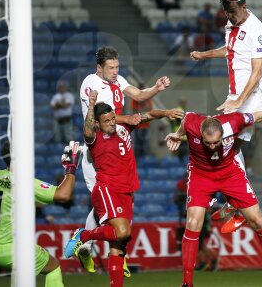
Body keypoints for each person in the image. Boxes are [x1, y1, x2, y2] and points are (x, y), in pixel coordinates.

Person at [165, 109, 262, 287]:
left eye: (216, 142)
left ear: (223, 133)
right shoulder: (192, 122)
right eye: (207, 143)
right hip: (201, 176)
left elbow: (259, 115)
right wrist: (178, 135)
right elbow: (184, 122)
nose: (212, 146)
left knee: (257, 220)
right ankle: (187, 283)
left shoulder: (234, 121)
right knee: (193, 223)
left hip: (230, 174)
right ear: (201, 134)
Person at [64, 95, 183, 287]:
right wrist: (92, 105)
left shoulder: (124, 127)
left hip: (127, 191)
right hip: (107, 189)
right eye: (106, 121)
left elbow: (149, 114)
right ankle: (83, 235)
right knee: (122, 232)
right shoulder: (95, 138)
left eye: (112, 118)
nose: (111, 123)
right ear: (97, 123)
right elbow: (86, 131)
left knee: (119, 245)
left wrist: (166, 113)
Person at [77, 46, 172, 274]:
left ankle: (116, 252)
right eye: (110, 68)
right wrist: (127, 118)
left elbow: (138, 95)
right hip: (98, 150)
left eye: (117, 67)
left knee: (124, 196)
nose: (115, 71)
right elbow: (102, 118)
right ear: (99, 68)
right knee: (103, 203)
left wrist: (156, 89)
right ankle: (86, 243)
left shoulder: (118, 80)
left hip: (117, 143)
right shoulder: (90, 82)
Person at [189, 0, 262, 227]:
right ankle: (236, 201)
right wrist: (205, 54)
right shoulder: (231, 23)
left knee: (229, 143)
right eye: (227, 14)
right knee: (228, 144)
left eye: (233, 13)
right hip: (235, 95)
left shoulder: (257, 29)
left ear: (244, 7)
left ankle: (237, 201)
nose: (230, 18)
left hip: (251, 96)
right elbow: (231, 49)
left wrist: (240, 101)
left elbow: (257, 72)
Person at [0, 140, 80, 287]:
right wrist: (71, 168)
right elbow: (64, 195)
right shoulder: (25, 182)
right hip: (11, 249)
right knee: (53, 267)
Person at [130, 83, 153, 157]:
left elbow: (149, 109)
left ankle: (144, 159)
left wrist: (142, 107)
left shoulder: (147, 98)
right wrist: (143, 107)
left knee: (145, 145)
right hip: (137, 125)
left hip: (146, 126)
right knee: (137, 144)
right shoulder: (134, 99)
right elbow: (135, 110)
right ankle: (138, 160)